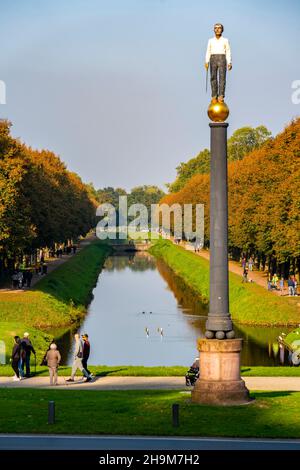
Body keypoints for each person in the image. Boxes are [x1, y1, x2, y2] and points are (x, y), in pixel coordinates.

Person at [205, 23, 232, 103]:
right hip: (213, 58)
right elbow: (208, 51)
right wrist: (206, 61)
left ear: (222, 30)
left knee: (222, 77)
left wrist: (229, 62)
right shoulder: (210, 40)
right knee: (213, 77)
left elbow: (228, 51)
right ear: (213, 30)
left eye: (219, 28)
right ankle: (214, 95)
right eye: (215, 28)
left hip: (222, 58)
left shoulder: (225, 40)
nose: (217, 29)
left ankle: (221, 95)